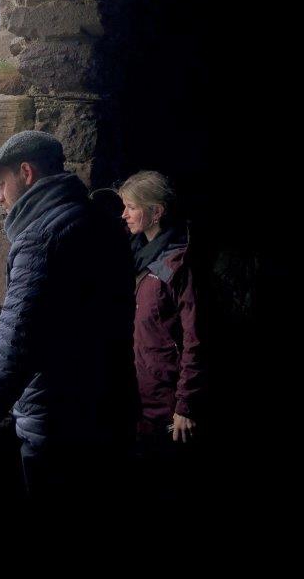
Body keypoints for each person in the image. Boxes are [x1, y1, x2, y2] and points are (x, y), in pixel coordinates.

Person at [0, 130, 139, 505]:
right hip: (112, 411)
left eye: (1, 184)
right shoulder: (99, 221)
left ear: (26, 173)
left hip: (62, 430)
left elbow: (11, 356)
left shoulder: (42, 239)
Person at [116, 171, 205, 493]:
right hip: (141, 395)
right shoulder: (136, 255)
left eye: (131, 206)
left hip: (169, 401)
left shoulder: (180, 263)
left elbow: (196, 338)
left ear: (156, 211)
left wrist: (186, 405)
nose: (124, 214)